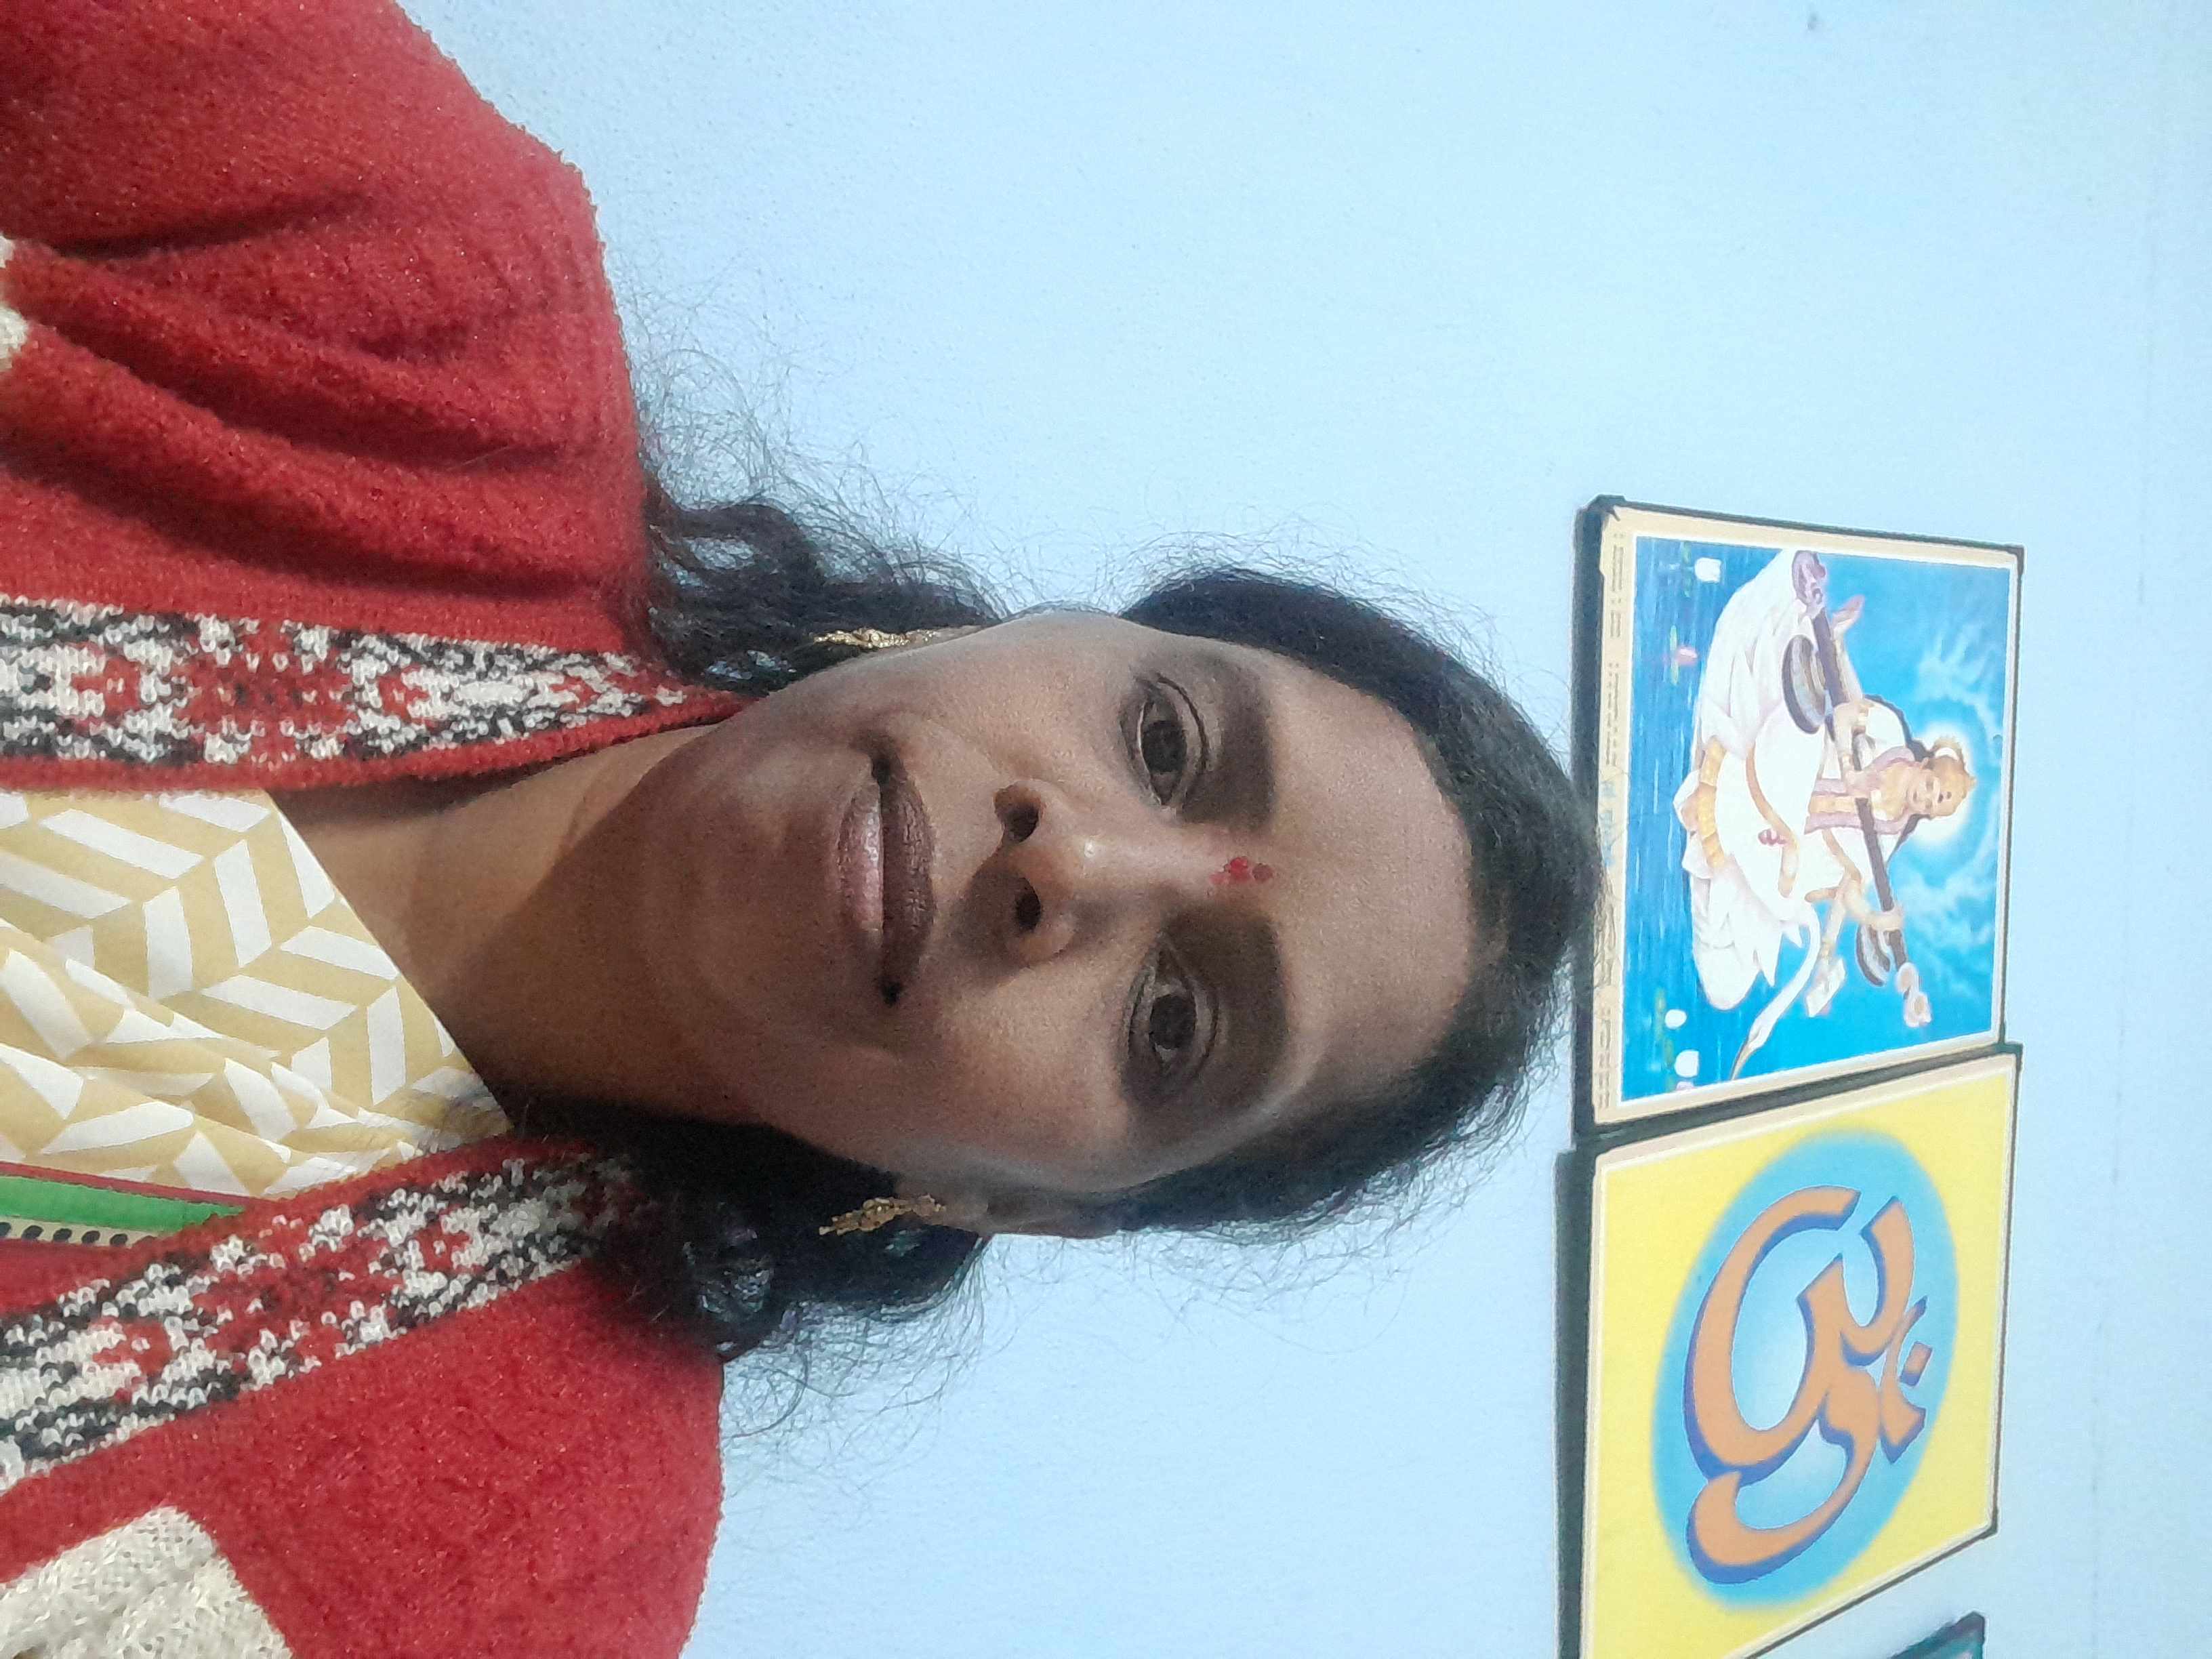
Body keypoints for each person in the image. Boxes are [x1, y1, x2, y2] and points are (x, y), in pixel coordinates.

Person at [0, 3, 1597, 1654]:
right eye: (1164, 739)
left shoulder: (519, 1559)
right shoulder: (418, 291)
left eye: (1177, 1019)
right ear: (1039, 623)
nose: (1071, 864)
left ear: (1016, 1203)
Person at [1674, 549, 1975, 1059]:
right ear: (1929, 766)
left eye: (1936, 806)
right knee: (1805, 734)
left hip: (1791, 835)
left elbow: (1847, 890)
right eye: (1935, 788)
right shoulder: (1891, 733)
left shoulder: (1886, 839)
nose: (1929, 798)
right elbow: (1849, 710)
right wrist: (1838, 647)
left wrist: (1874, 921)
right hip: (1795, 766)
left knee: (1777, 902)